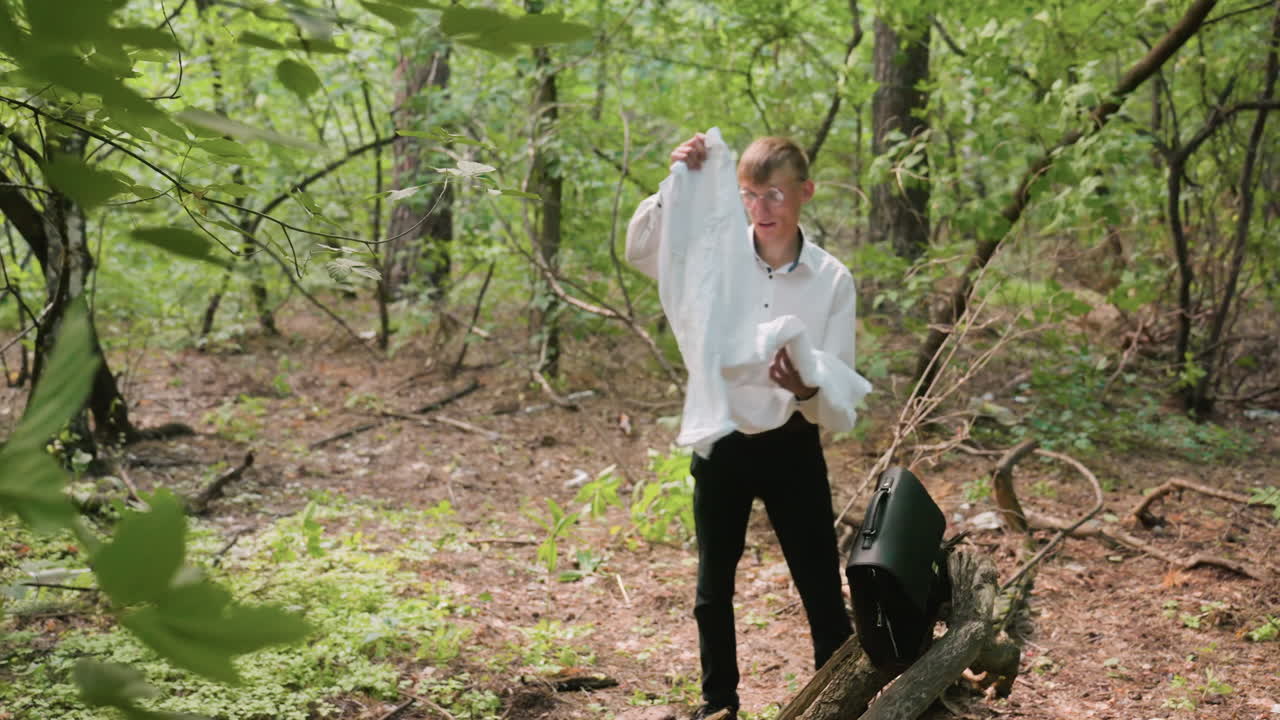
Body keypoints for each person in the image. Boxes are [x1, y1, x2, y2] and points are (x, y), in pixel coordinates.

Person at [625, 133, 864, 720]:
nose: (761, 208)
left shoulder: (832, 279)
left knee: (820, 586)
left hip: (792, 446)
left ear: (805, 192)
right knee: (713, 589)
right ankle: (719, 704)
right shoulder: (718, 259)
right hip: (723, 438)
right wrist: (676, 182)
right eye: (749, 196)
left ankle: (838, 704)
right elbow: (643, 251)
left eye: (775, 194)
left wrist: (806, 388)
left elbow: (839, 393)